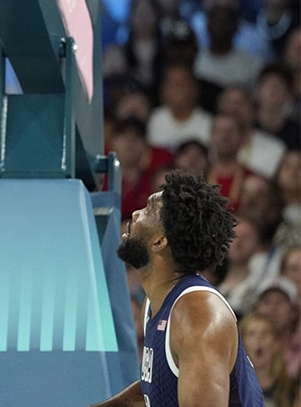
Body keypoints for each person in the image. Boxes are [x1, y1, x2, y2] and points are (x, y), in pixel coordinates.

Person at [90, 171, 263, 406]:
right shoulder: (157, 300)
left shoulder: (199, 316)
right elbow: (159, 385)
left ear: (160, 242)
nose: (135, 213)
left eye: (148, 210)